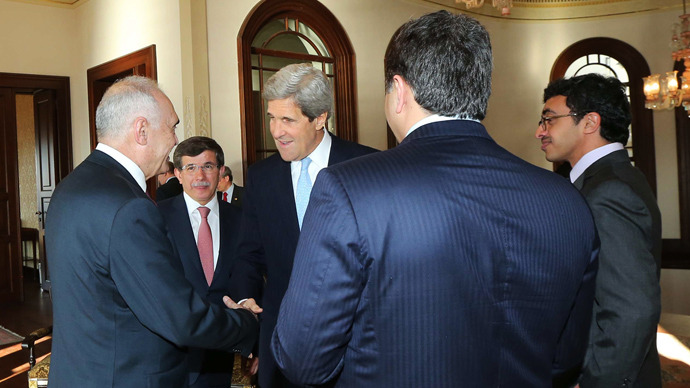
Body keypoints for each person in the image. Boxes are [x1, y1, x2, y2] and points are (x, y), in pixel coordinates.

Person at [270, 11, 599, 388]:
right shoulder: (567, 202)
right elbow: (565, 358)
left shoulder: (350, 190)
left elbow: (302, 360)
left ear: (399, 91)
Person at [45, 76, 258, 388]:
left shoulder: (70, 187)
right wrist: (246, 323)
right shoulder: (130, 207)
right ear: (141, 130)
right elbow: (179, 318)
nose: (174, 141)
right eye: (171, 127)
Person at [229, 63, 377, 388]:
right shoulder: (261, 177)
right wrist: (244, 301)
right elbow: (248, 255)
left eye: (288, 120)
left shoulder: (368, 167)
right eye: (271, 117)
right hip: (281, 346)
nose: (276, 130)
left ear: (321, 117)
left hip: (356, 344)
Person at [536, 73, 662, 387]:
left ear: (590, 122)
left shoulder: (608, 191)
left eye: (549, 119)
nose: (539, 131)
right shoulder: (613, 179)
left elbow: (631, 311)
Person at [157, 136, 244, 388]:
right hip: (171, 348)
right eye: (191, 168)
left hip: (223, 349)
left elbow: (252, 278)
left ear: (221, 171)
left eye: (208, 166)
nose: (200, 176)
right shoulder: (156, 216)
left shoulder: (243, 219)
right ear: (178, 174)